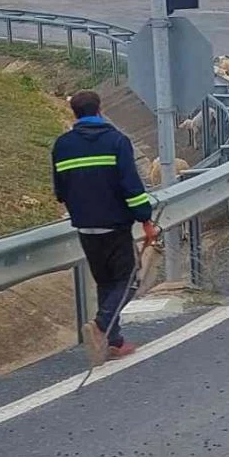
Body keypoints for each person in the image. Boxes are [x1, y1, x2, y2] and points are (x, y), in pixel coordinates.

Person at [52, 90, 158, 365]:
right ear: (99, 110)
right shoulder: (116, 141)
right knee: (129, 280)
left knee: (106, 282)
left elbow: (60, 191)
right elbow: (132, 188)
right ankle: (102, 324)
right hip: (115, 226)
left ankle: (114, 341)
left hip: (86, 227)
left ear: (75, 113)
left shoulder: (62, 145)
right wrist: (145, 219)